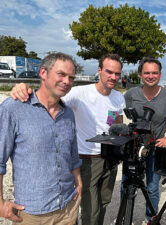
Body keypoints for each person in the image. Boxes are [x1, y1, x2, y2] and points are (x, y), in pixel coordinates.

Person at [10, 53, 126, 225]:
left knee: (104, 201)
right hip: (87, 160)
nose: (113, 77)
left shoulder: (118, 97)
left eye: (117, 74)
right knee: (90, 208)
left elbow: (118, 123)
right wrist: (22, 89)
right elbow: (49, 99)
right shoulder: (80, 93)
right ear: (99, 71)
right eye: (109, 72)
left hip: (109, 159)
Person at [0, 52, 82, 224]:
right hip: (33, 213)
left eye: (71, 77)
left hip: (68, 207)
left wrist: (78, 181)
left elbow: (72, 153)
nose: (67, 81)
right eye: (61, 74)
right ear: (43, 73)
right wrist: (0, 203)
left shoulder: (68, 114)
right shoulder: (14, 108)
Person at [124, 56, 166, 221]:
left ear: (160, 75)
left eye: (154, 73)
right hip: (134, 148)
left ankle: (150, 219)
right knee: (127, 184)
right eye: (147, 73)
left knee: (152, 188)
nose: (150, 76)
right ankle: (125, 216)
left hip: (156, 148)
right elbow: (114, 110)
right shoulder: (132, 94)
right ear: (140, 74)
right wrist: (116, 129)